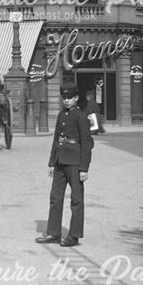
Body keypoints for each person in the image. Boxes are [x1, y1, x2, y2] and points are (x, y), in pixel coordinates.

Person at [36, 82, 94, 248]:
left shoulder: (81, 116)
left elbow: (87, 143)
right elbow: (56, 139)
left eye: (70, 98)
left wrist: (84, 168)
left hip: (75, 163)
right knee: (55, 197)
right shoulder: (62, 115)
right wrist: (52, 163)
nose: (66, 101)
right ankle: (53, 233)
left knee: (76, 200)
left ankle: (74, 236)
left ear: (76, 98)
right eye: (64, 98)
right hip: (60, 162)